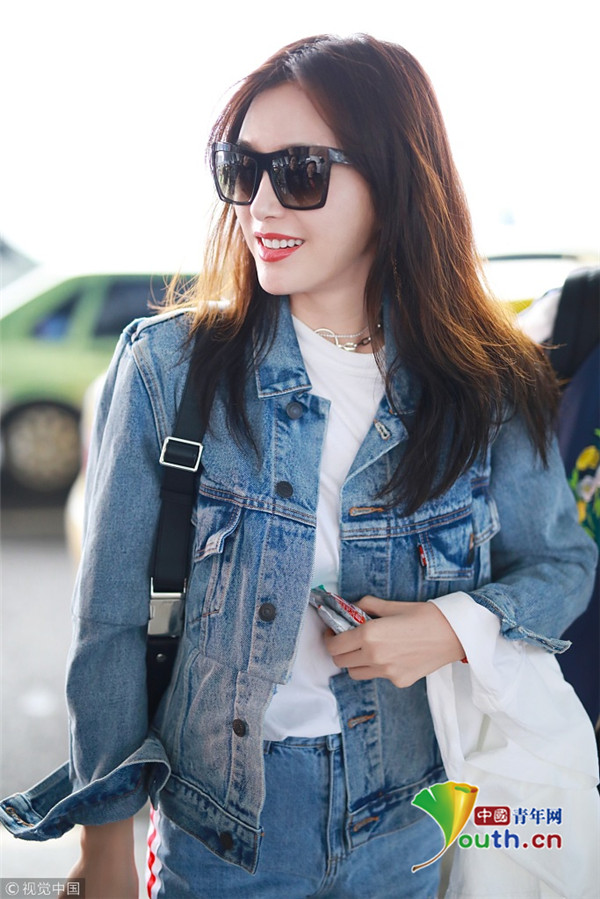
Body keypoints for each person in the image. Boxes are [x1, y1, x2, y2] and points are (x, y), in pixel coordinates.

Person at [1, 34, 598, 899]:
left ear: (394, 182)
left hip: (411, 822)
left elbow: (562, 564)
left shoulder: (485, 381)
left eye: (302, 172)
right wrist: (106, 847)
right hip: (221, 835)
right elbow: (110, 627)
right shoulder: (168, 367)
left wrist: (453, 627)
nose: (261, 206)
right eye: (241, 169)